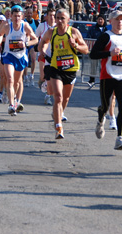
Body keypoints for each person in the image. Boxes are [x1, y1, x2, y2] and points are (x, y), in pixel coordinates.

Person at [37, 8, 89, 139]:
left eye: (62, 18)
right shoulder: (51, 32)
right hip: (56, 68)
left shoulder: (74, 32)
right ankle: (59, 127)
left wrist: (75, 46)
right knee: (58, 97)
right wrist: (42, 50)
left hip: (70, 69)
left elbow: (86, 49)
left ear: (68, 20)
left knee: (65, 99)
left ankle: (58, 113)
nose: (59, 21)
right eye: (57, 18)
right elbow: (42, 42)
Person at [90, 8, 122, 150]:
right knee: (105, 106)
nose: (119, 22)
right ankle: (100, 118)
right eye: (116, 19)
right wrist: (109, 53)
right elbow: (93, 54)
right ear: (110, 21)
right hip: (107, 76)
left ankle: (119, 138)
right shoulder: (106, 36)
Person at [0, 5, 39, 116]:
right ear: (11, 17)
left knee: (18, 82)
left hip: (21, 56)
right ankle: (11, 105)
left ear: (22, 16)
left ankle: (16, 100)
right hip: (9, 55)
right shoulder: (7, 26)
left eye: (19, 16)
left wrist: (25, 44)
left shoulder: (25, 26)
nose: (17, 18)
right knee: (10, 78)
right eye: (15, 16)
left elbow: (36, 39)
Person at [35, 8, 56, 105]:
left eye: (53, 15)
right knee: (43, 76)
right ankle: (42, 81)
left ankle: (48, 96)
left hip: (54, 55)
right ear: (46, 16)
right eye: (50, 15)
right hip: (43, 53)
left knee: (51, 77)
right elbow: (35, 37)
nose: (52, 17)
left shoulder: (57, 27)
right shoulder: (42, 26)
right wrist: (37, 46)